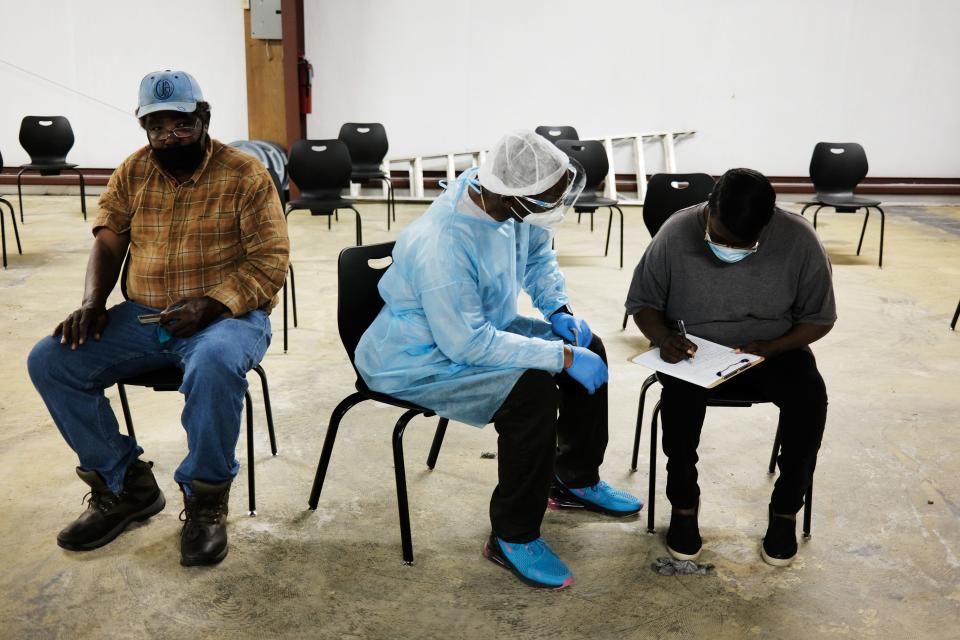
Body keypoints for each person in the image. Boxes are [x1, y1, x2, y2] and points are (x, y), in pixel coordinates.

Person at [354, 130, 641, 589]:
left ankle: (574, 479)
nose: (552, 208)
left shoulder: (506, 197)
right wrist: (559, 356)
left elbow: (537, 257)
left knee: (591, 348)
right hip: (416, 358)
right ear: (515, 196)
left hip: (478, 325)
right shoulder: (442, 243)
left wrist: (558, 310)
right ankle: (512, 535)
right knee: (531, 392)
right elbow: (466, 346)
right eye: (545, 200)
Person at [27, 70, 289, 566]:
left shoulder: (245, 174)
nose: (170, 138)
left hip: (227, 318)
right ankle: (125, 485)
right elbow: (108, 240)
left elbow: (270, 261)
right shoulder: (134, 171)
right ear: (143, 125)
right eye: (158, 128)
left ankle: (207, 501)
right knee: (50, 361)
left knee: (213, 364)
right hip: (146, 317)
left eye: (182, 126)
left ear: (204, 117)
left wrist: (210, 305)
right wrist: (91, 305)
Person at [626, 168, 835, 566]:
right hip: (694, 351)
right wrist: (663, 337)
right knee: (679, 406)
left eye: (742, 245)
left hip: (772, 350)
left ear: (767, 223)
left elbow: (820, 318)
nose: (726, 248)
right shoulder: (675, 232)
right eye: (719, 237)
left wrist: (774, 347)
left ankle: (785, 509)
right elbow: (642, 303)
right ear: (709, 211)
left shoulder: (799, 239)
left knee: (810, 398)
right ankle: (684, 505)